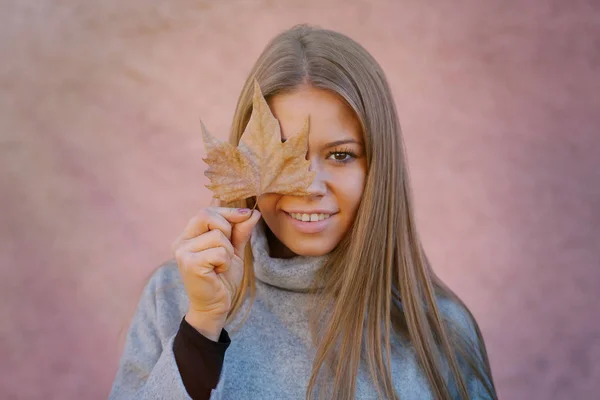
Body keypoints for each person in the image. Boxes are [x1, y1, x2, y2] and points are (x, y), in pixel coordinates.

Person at [109, 24, 498, 400]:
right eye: (286, 155)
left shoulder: (439, 330)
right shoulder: (174, 298)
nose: (309, 186)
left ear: (378, 167)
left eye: (341, 155)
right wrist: (202, 327)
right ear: (246, 159)